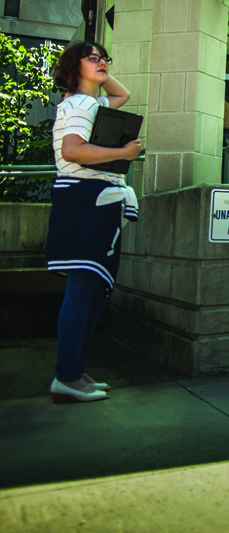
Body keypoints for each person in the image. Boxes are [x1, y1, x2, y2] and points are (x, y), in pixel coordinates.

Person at [46, 42, 142, 404]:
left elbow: (123, 94)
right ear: (74, 66)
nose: (103, 63)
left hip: (93, 201)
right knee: (83, 288)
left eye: (106, 58)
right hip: (85, 199)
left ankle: (74, 372)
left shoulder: (91, 104)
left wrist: (95, 70)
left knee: (93, 288)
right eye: (94, 58)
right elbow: (72, 150)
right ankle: (67, 375)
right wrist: (122, 153)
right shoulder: (80, 105)